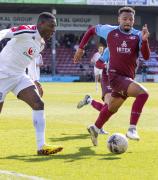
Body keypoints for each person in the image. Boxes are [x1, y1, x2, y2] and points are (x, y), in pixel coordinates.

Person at [74, 6, 150, 146]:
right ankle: (132, 129)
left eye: (130, 19)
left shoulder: (138, 35)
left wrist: (145, 41)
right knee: (143, 93)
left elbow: (146, 56)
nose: (127, 21)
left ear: (134, 21)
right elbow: (91, 30)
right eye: (125, 19)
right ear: (119, 19)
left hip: (128, 78)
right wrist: (81, 48)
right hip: (115, 77)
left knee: (111, 108)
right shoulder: (110, 31)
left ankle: (95, 128)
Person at [0, 12, 63, 155]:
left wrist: (35, 80)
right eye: (51, 26)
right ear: (41, 24)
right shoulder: (27, 30)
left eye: (55, 27)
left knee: (38, 104)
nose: (54, 30)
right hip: (2, 75)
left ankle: (42, 147)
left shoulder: (41, 44)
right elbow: (6, 32)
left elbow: (32, 62)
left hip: (19, 76)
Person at [77, 47, 111, 135]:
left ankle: (89, 100)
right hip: (107, 79)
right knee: (108, 106)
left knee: (109, 107)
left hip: (114, 79)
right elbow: (97, 64)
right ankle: (98, 127)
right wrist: (106, 66)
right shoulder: (109, 50)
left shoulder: (120, 49)